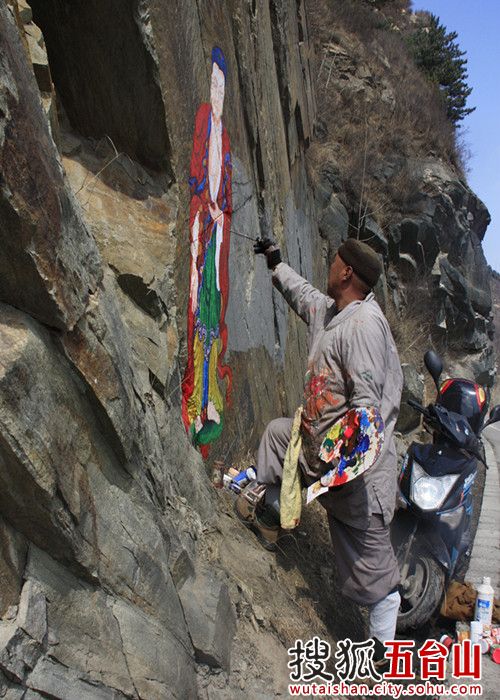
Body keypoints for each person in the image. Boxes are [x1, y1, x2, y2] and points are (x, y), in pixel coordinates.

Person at [237, 236, 403, 644]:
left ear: (346, 271)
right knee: (278, 437)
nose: (328, 266)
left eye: (334, 261)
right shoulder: (333, 312)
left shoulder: (364, 326)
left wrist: (335, 467)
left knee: (376, 579)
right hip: (318, 452)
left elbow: (365, 412)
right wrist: (276, 264)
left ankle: (381, 658)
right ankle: (270, 522)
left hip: (356, 475)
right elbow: (303, 295)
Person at [182, 47, 232, 457]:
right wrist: (207, 206)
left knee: (212, 318)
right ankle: (196, 401)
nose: (217, 93)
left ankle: (209, 397)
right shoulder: (202, 119)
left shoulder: (226, 133)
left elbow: (226, 186)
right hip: (202, 227)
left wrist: (221, 210)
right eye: (214, 84)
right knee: (198, 316)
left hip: (217, 236)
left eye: (222, 87)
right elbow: (196, 172)